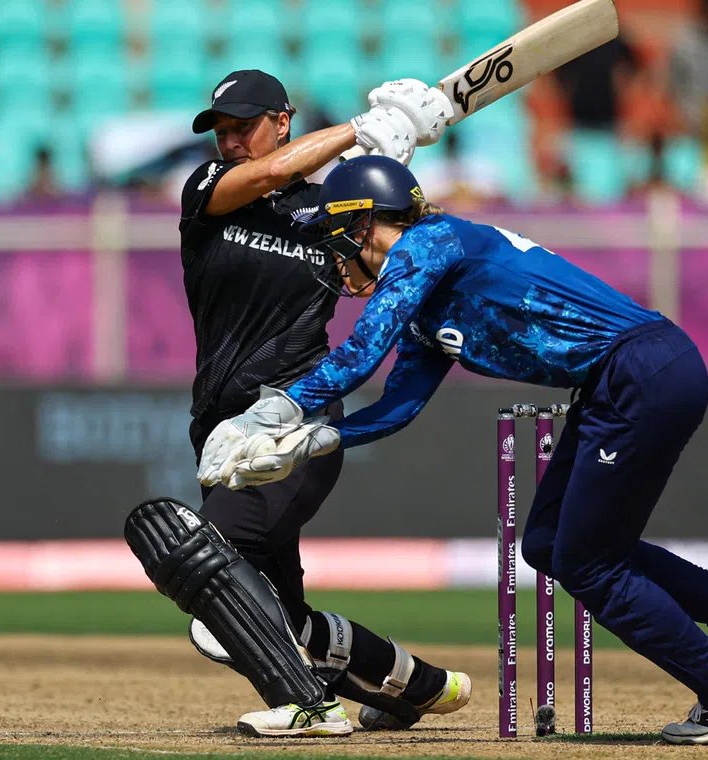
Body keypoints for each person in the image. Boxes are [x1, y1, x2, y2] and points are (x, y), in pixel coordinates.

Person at [197, 155, 708, 745]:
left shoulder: (431, 241)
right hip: (618, 381)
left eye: (333, 238)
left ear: (365, 223)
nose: (332, 258)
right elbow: (399, 406)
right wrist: (311, 443)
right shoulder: (425, 302)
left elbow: (359, 355)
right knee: (548, 543)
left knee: (588, 563)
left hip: (642, 370)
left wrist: (273, 414)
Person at [124, 70, 472, 738]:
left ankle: (311, 709)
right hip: (222, 426)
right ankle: (417, 686)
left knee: (207, 569)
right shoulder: (208, 192)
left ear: (283, 120)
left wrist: (383, 164)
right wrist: (360, 130)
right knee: (278, 613)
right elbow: (263, 177)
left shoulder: (326, 210)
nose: (229, 140)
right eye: (221, 129)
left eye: (243, 126)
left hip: (293, 418)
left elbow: (390, 252)